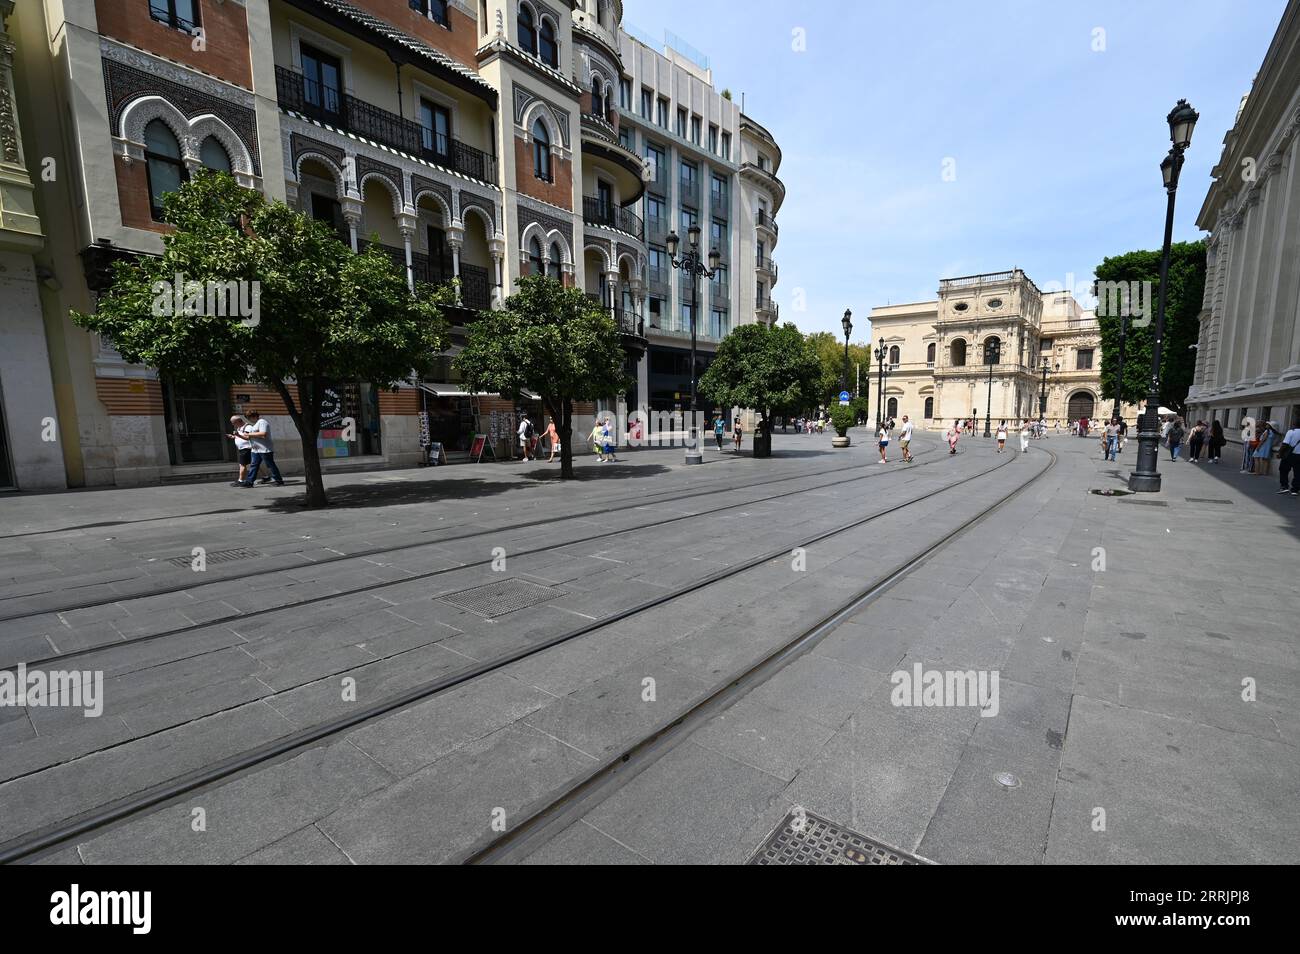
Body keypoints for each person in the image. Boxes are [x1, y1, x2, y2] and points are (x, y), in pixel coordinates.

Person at [238, 410, 284, 487]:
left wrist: (249, 434)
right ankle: (249, 482)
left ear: (254, 416)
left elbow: (263, 434)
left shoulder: (262, 422)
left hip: (264, 449)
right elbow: (250, 436)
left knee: (270, 465)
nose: (248, 420)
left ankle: (279, 480)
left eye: (249, 418)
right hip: (255, 449)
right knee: (254, 465)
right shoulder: (256, 424)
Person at [226, 414, 251, 486]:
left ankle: (240, 480)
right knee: (254, 464)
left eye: (233, 423)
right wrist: (233, 436)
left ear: (238, 421)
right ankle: (266, 477)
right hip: (243, 449)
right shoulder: (239, 427)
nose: (232, 424)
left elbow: (247, 438)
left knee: (242, 465)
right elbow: (240, 437)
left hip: (246, 448)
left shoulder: (247, 427)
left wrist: (237, 435)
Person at [1277, 419, 1300, 496]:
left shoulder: (1291, 432)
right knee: (1298, 473)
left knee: (1283, 469)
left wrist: (1279, 453)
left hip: (1289, 455)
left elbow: (1285, 444)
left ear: (1294, 423)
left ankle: (1284, 487)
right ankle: (1295, 490)